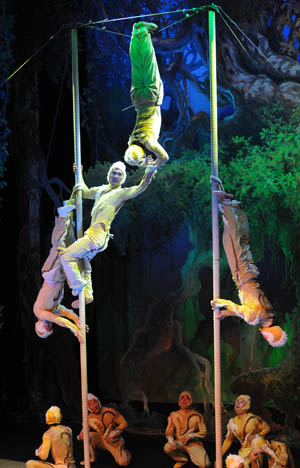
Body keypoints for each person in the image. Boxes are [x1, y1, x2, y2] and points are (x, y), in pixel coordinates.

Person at [210, 176, 287, 347]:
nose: (264, 337)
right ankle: (227, 203)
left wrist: (226, 313)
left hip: (247, 276)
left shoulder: (267, 315)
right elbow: (240, 310)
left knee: (234, 241)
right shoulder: (258, 318)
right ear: (269, 335)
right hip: (244, 276)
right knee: (234, 240)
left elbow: (241, 312)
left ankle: (236, 209)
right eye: (267, 338)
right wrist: (223, 304)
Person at [60, 161, 156, 296]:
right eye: (113, 172)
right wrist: (79, 173)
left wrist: (150, 171)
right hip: (94, 234)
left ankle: (78, 284)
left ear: (123, 178)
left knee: (66, 256)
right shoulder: (101, 190)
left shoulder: (121, 193)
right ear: (109, 174)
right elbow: (85, 192)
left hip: (97, 235)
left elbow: (140, 187)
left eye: (119, 174)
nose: (115, 176)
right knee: (82, 262)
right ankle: (87, 294)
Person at [34, 203, 91, 343]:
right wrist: (78, 321)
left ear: (37, 325)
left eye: (43, 330)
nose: (47, 327)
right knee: (70, 248)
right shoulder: (54, 309)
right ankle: (68, 216)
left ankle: (61, 216)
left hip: (51, 274)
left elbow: (58, 320)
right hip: (59, 276)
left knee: (58, 246)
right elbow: (66, 313)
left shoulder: (39, 312)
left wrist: (75, 330)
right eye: (49, 330)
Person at [124, 21, 169, 169]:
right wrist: (140, 159)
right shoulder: (131, 141)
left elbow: (164, 157)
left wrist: (151, 165)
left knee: (149, 62)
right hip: (137, 100)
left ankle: (143, 31)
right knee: (137, 64)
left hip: (151, 97)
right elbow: (132, 156)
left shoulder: (149, 142)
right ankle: (136, 32)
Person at [77, 393, 131, 466]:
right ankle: (92, 457)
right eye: (90, 404)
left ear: (98, 401)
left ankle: (125, 453)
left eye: (95, 402)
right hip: (100, 439)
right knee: (87, 436)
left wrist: (114, 433)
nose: (94, 405)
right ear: (88, 407)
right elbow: (86, 428)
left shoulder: (110, 411)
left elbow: (124, 423)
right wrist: (82, 433)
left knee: (123, 462)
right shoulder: (89, 417)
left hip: (113, 440)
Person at [222, 394, 271, 468]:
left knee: (257, 449)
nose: (238, 403)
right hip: (244, 449)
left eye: (241, 402)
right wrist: (220, 455)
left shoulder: (253, 419)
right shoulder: (232, 422)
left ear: (246, 405)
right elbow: (228, 439)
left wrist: (257, 435)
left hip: (257, 445)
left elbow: (267, 428)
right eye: (237, 401)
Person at [164, 390, 210, 468]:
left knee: (205, 465)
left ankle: (195, 456)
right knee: (167, 447)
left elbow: (203, 432)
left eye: (187, 398)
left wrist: (191, 435)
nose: (184, 400)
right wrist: (171, 442)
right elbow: (169, 433)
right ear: (179, 401)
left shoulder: (197, 415)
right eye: (182, 398)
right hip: (180, 443)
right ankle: (182, 459)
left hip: (194, 444)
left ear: (191, 401)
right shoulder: (173, 415)